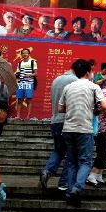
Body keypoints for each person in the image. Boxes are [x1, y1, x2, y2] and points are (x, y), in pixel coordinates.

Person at [58, 59, 106, 207]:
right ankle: (77, 189)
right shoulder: (93, 87)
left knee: (71, 162)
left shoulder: (68, 87)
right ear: (88, 72)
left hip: (68, 128)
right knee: (85, 161)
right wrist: (94, 110)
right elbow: (104, 106)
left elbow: (60, 108)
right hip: (84, 128)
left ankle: (70, 194)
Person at [40, 62, 79, 192]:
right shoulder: (75, 81)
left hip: (55, 120)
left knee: (58, 150)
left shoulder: (56, 80)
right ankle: (64, 182)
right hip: (68, 121)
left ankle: (47, 171)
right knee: (72, 153)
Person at [14, 48, 37, 120]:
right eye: (23, 53)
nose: (25, 54)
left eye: (26, 53)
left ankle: (28, 116)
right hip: (20, 83)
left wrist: (28, 75)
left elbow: (36, 73)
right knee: (19, 100)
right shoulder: (20, 63)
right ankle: (18, 116)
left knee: (29, 100)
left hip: (29, 83)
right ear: (21, 54)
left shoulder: (33, 62)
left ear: (29, 54)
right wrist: (16, 75)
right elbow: (18, 73)